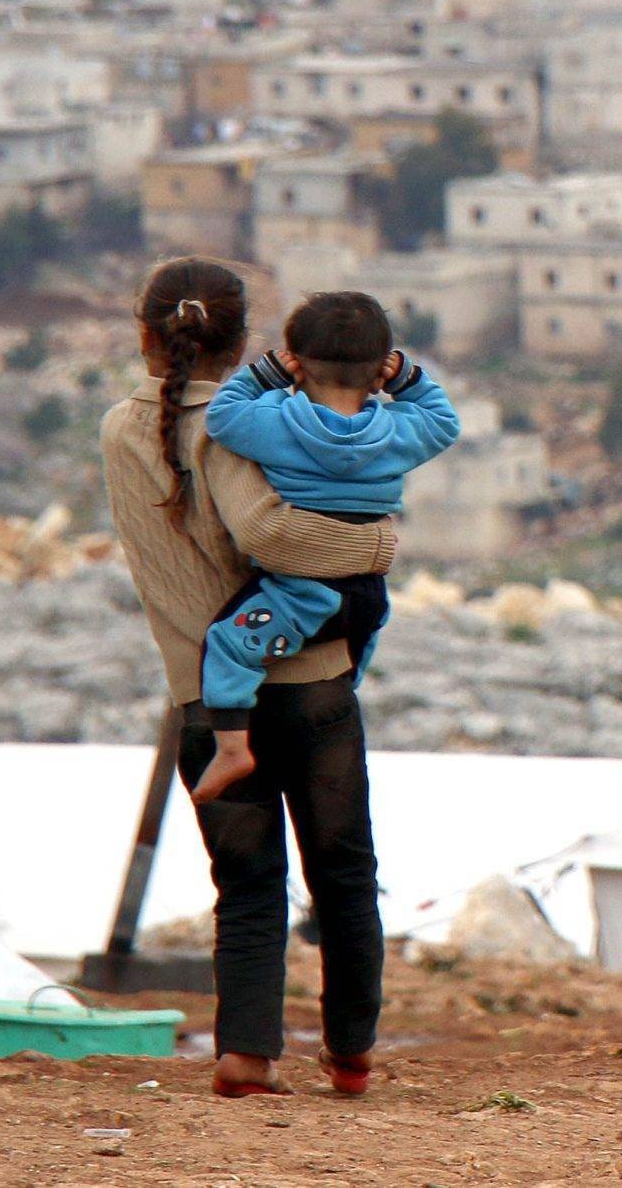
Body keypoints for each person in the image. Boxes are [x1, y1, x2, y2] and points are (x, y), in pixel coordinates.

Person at [100, 258, 397, 1100]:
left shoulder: (119, 430)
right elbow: (274, 539)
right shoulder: (251, 426)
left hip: (202, 692)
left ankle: (245, 1051)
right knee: (342, 872)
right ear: (242, 342)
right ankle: (349, 1053)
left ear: (146, 335)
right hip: (309, 685)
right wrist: (375, 549)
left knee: (246, 879)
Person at [193, 292, 459, 805]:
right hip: (367, 595)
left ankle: (231, 748)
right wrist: (405, 378)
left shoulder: (275, 425)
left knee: (227, 644)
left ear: (297, 362)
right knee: (347, 667)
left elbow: (222, 415)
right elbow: (444, 420)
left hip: (302, 594)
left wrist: (266, 373)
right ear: (379, 367)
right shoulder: (399, 432)